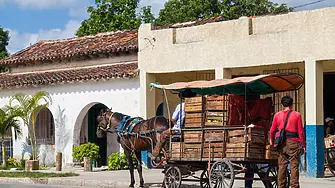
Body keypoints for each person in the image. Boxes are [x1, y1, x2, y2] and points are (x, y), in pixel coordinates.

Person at [270, 96, 305, 188]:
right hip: (293, 142)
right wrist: (304, 145)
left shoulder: (277, 115)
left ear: (282, 104)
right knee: (294, 166)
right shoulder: (297, 115)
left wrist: (272, 141)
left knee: (282, 166)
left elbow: (272, 130)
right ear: (292, 104)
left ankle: (281, 186)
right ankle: (294, 186)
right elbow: (300, 132)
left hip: (282, 143)